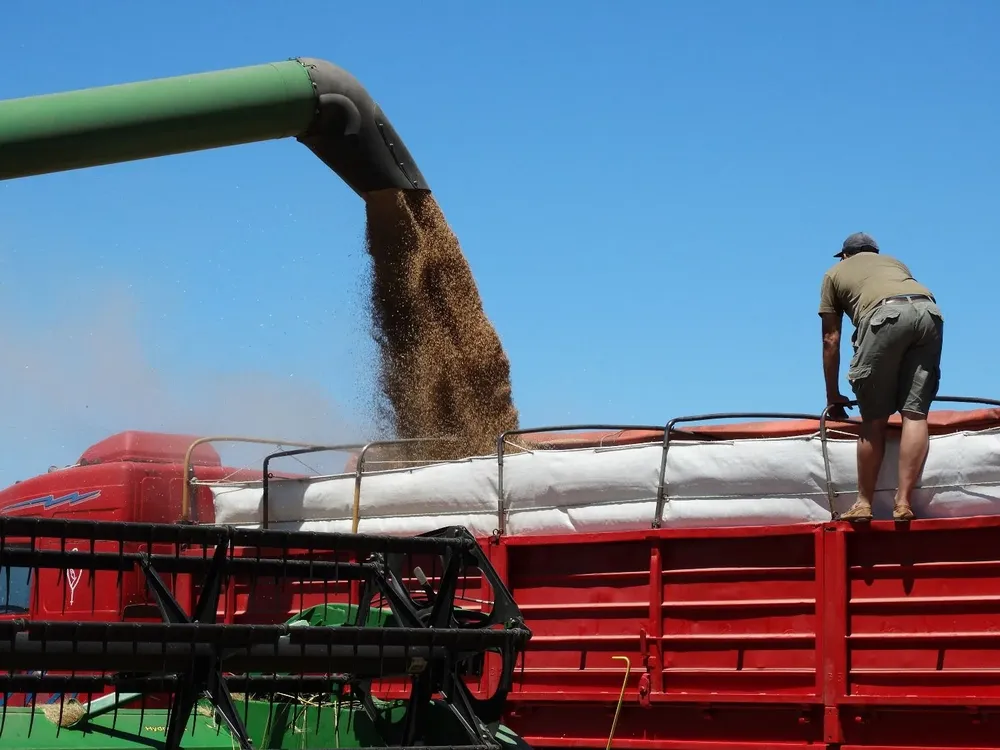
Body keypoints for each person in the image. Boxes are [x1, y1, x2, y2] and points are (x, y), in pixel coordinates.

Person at [818, 232, 944, 522]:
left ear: (845, 255)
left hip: (884, 316)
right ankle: (903, 502)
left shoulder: (834, 273)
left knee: (874, 418)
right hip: (929, 313)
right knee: (914, 414)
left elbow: (830, 339)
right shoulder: (896, 264)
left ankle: (863, 503)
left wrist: (832, 395)